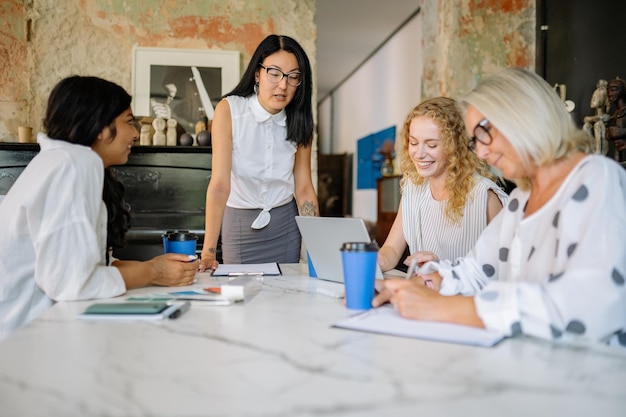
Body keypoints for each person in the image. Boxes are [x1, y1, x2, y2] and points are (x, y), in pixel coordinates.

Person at [373, 68, 626, 348]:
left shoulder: (597, 178)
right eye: (474, 141)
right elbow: (476, 270)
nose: (480, 152)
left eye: (483, 134)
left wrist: (442, 308)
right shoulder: (521, 199)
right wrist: (419, 286)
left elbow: (590, 302)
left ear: (522, 117)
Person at [0, 76, 199, 340]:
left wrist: (156, 266)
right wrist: (154, 271)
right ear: (99, 128)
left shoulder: (63, 161)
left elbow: (90, 266)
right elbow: (72, 284)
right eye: (129, 122)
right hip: (24, 337)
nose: (136, 134)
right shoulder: (74, 165)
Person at [199, 35, 319, 270]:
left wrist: (318, 247)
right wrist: (208, 252)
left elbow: (304, 188)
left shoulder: (300, 121)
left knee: (285, 298)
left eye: (293, 77)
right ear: (257, 73)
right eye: (274, 74)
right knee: (241, 299)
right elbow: (220, 185)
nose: (283, 85)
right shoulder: (229, 110)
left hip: (286, 224)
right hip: (240, 223)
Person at [377, 97, 508, 272]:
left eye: (431, 145)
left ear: (455, 146)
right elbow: (392, 249)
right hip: (424, 295)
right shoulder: (412, 188)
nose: (419, 154)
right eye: (413, 143)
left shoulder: (485, 195)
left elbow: (502, 270)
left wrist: (444, 270)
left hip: (464, 298)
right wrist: (375, 262)